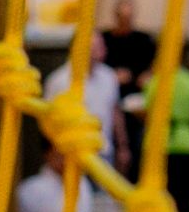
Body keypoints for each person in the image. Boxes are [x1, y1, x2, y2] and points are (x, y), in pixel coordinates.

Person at [45, 31, 128, 175]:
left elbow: (115, 112)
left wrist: (123, 147)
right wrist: (54, 155)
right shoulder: (59, 81)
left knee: (104, 197)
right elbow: (48, 120)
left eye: (102, 45)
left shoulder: (109, 77)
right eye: (96, 46)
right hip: (71, 155)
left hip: (104, 154)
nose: (102, 49)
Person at [136, 64, 189, 212]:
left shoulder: (154, 81)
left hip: (159, 143)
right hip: (186, 142)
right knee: (185, 200)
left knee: (160, 197)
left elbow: (147, 111)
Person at [102, 0, 157, 98]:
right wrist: (111, 76)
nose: (125, 22)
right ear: (116, 16)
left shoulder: (144, 39)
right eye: (122, 18)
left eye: (128, 18)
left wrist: (149, 74)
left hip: (138, 92)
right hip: (110, 91)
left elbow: (156, 62)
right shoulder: (104, 39)